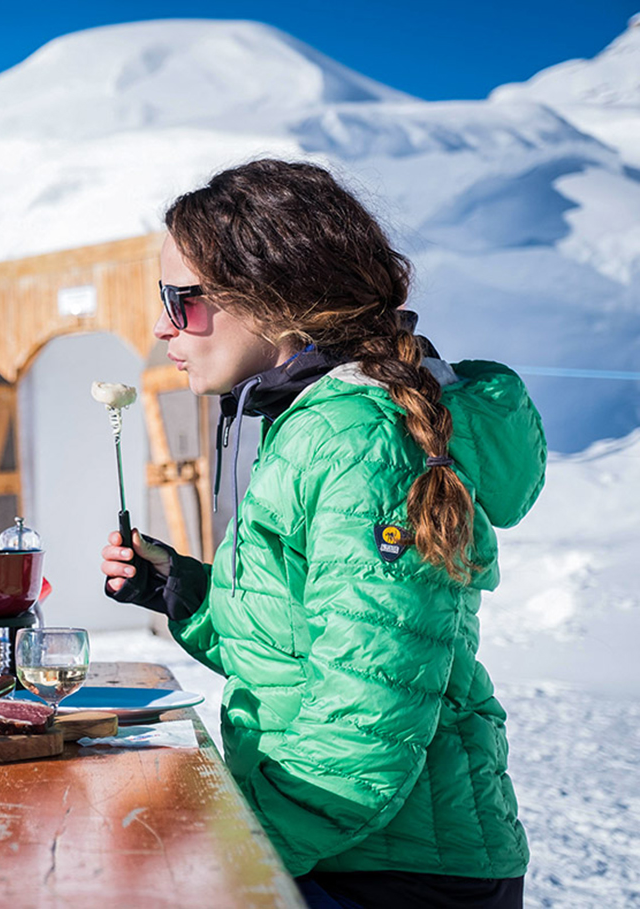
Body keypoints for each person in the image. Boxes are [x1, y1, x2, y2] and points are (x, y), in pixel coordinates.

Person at [100, 159, 541, 908]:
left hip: (388, 870)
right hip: (345, 847)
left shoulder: (358, 439)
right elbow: (301, 653)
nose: (161, 326)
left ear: (271, 296)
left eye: (182, 301)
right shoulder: (310, 423)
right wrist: (184, 591)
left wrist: (238, 851)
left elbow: (368, 717)